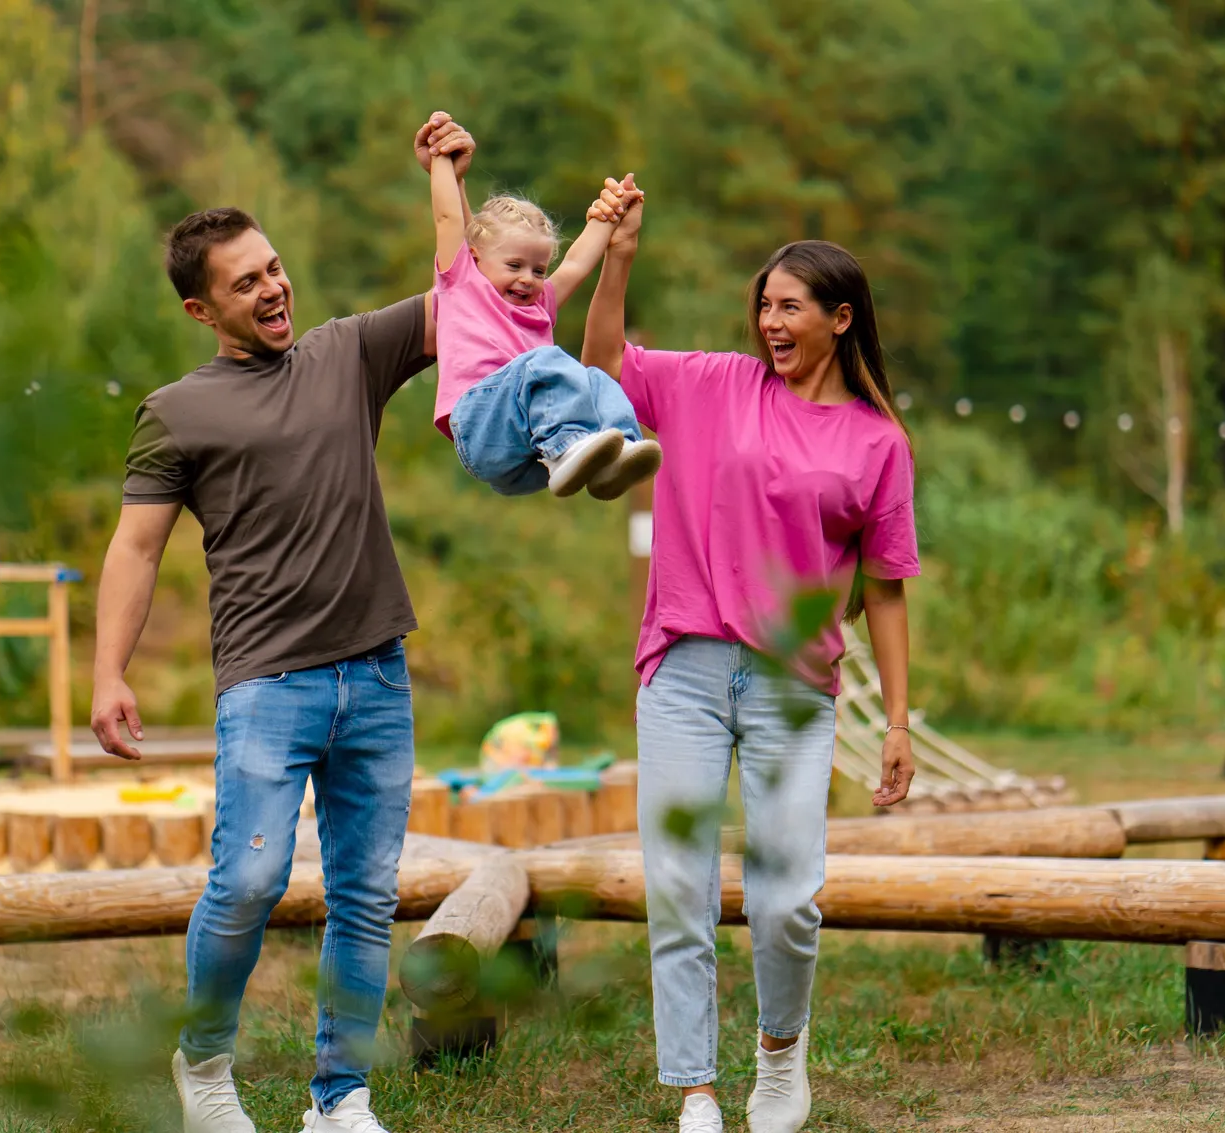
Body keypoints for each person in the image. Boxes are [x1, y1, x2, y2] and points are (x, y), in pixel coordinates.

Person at [89, 115, 480, 1133]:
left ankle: (339, 1097)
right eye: (245, 284)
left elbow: (462, 298)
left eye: (273, 269)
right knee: (249, 877)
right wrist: (108, 671)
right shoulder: (176, 411)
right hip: (268, 683)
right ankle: (205, 1064)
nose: (272, 290)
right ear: (199, 308)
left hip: (376, 672)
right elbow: (136, 548)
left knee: (364, 893)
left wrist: (443, 176)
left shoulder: (347, 353)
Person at [581, 188, 919, 1133]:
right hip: (684, 668)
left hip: (792, 688)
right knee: (678, 884)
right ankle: (695, 1087)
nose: (771, 322)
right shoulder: (713, 385)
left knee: (787, 900)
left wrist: (897, 722)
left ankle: (779, 1052)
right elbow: (602, 362)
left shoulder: (879, 442)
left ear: (840, 319)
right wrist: (618, 256)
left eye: (790, 307)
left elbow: (887, 590)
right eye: (764, 305)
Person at [426, 115, 659, 500]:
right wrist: (440, 159)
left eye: (537, 270)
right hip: (482, 428)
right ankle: (568, 446)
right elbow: (447, 217)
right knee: (544, 362)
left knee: (594, 378)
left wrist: (612, 213)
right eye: (514, 266)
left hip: (530, 456)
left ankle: (616, 452)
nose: (528, 279)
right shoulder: (463, 285)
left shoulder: (539, 304)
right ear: (475, 257)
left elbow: (576, 264)